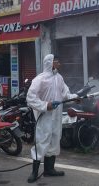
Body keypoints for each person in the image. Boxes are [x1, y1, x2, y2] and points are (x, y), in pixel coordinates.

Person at [26, 54, 78, 183]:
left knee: (55, 140)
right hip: (44, 116)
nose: (59, 64)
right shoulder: (40, 79)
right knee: (42, 141)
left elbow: (66, 94)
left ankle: (50, 169)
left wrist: (75, 97)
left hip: (57, 116)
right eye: (57, 61)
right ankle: (34, 172)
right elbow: (30, 98)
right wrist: (45, 105)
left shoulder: (59, 78)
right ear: (50, 63)